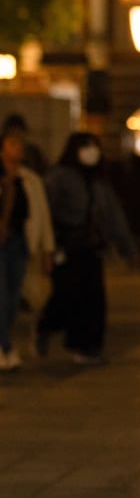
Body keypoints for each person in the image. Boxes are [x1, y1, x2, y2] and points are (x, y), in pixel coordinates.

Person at [36, 133, 138, 365]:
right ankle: (47, 327)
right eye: (86, 147)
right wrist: (47, 247)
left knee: (93, 299)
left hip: (91, 248)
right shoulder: (58, 178)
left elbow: (114, 217)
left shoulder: (99, 182)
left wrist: (128, 248)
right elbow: (45, 213)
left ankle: (88, 347)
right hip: (66, 247)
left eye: (94, 147)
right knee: (67, 296)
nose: (91, 152)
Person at [0, 121, 54, 369]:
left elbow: (40, 215)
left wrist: (46, 249)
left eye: (20, 144)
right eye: (12, 144)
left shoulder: (29, 179)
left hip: (19, 243)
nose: (17, 148)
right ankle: (5, 347)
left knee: (13, 299)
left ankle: (6, 344)